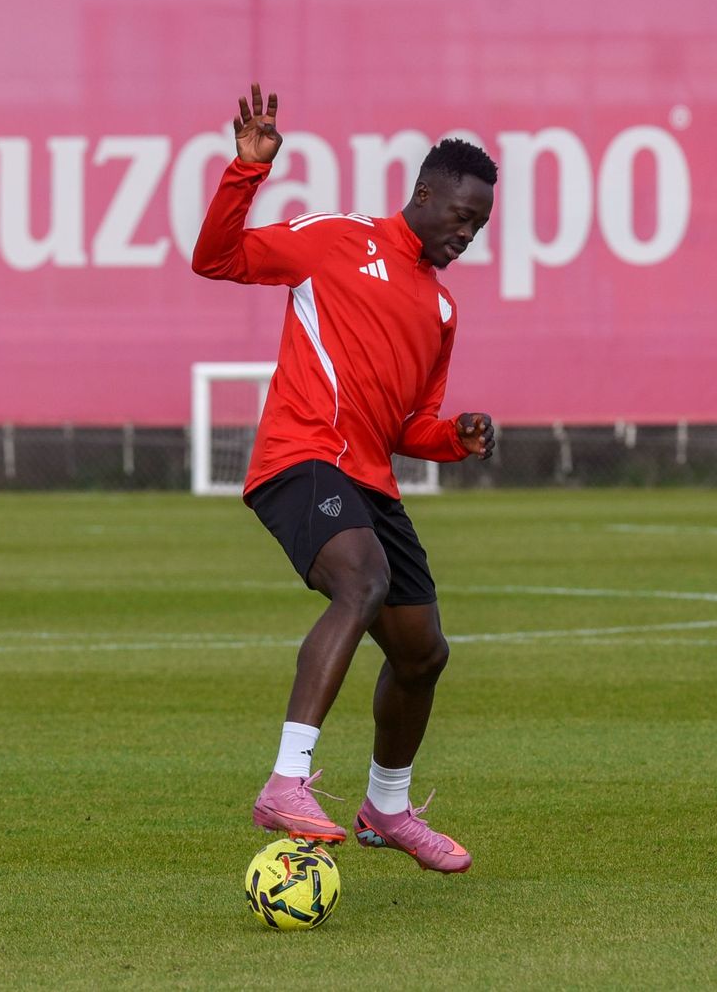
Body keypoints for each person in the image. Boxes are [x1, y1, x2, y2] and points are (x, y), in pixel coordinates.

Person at [192, 85, 497, 873]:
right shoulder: (337, 237)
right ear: (423, 195)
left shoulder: (441, 311)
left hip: (369, 479)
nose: (468, 233)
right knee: (360, 582)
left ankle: (386, 808)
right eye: (460, 216)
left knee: (424, 653)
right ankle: (286, 779)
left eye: (481, 225)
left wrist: (454, 437)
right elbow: (217, 258)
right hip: (298, 457)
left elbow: (407, 426)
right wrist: (245, 171)